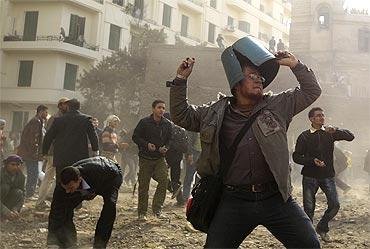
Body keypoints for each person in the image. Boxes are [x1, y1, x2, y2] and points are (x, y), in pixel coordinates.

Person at [169, 36, 322, 248]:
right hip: (234, 201)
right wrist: (180, 80)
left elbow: (312, 91)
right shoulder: (214, 113)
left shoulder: (278, 105)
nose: (259, 79)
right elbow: (181, 116)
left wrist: (296, 65)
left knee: (310, 245)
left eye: (260, 76)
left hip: (276, 199)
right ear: (236, 83)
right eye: (252, 75)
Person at [42, 98, 99, 247]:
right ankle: (69, 236)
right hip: (80, 162)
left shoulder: (59, 120)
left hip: (62, 161)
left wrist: (43, 152)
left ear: (67, 107)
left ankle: (54, 239)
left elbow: (48, 136)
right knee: (77, 189)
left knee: (61, 191)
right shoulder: (86, 119)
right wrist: (96, 150)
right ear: (79, 107)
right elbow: (93, 136)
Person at [293, 107, 354, 242]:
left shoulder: (330, 133)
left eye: (323, 115)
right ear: (311, 119)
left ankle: (322, 227)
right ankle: (308, 237)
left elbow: (351, 136)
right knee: (309, 209)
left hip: (327, 175)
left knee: (335, 205)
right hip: (310, 176)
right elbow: (296, 157)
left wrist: (336, 130)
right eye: (318, 116)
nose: (322, 118)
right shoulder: (304, 136)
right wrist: (311, 161)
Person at [47, 156, 122, 248]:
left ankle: (100, 244)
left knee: (109, 207)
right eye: (65, 188)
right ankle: (68, 242)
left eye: (70, 188)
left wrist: (92, 192)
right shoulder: (62, 186)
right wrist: (52, 241)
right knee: (65, 208)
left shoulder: (97, 172)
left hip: (111, 176)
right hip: (89, 184)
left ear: (79, 180)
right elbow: (55, 211)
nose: (67, 191)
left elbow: (111, 175)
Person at [132, 100, 172, 220]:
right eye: (159, 107)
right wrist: (146, 144)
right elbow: (135, 137)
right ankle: (142, 212)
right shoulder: (144, 122)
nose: (161, 110)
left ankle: (157, 209)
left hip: (160, 158)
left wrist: (166, 147)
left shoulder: (167, 124)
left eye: (163, 108)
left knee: (164, 181)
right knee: (144, 185)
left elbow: (170, 139)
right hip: (145, 158)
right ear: (153, 109)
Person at [36, 97, 69, 209]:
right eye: (65, 104)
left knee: (60, 176)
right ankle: (40, 202)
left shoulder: (65, 118)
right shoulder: (54, 118)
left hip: (62, 152)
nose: (67, 106)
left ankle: (49, 196)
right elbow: (50, 137)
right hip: (54, 152)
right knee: (48, 177)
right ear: (60, 106)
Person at [17, 105, 48, 198]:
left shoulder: (38, 121)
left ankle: (29, 192)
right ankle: (29, 193)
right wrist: (35, 152)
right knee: (33, 174)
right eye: (45, 112)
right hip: (30, 153)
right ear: (41, 111)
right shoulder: (36, 122)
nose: (46, 114)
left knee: (31, 173)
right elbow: (33, 139)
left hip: (29, 153)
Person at [164, 112, 188, 205]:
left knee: (162, 177)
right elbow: (185, 147)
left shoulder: (176, 130)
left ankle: (175, 192)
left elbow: (185, 147)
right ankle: (180, 200)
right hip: (176, 158)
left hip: (170, 157)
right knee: (175, 179)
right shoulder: (181, 130)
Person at [0, 155, 25, 221]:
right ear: (6, 165)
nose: (15, 167)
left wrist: (15, 209)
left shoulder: (21, 176)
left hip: (6, 203)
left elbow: (22, 196)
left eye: (17, 165)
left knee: (19, 192)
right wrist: (6, 211)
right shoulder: (1, 173)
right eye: (12, 164)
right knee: (5, 188)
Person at [182, 131, 201, 202]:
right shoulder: (194, 128)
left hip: (203, 154)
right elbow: (188, 142)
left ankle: (195, 196)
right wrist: (189, 154)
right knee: (189, 176)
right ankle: (185, 196)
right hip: (194, 153)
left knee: (199, 177)